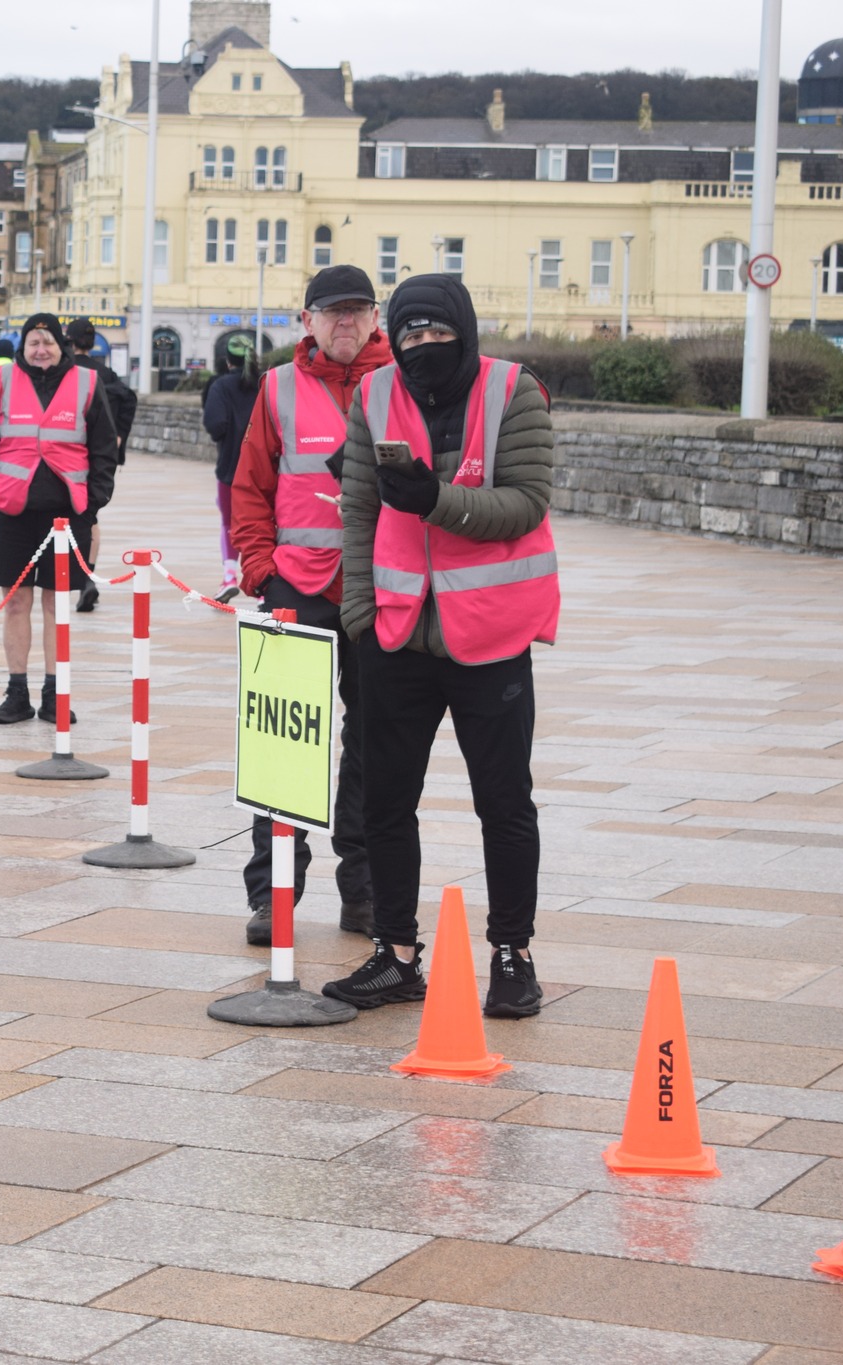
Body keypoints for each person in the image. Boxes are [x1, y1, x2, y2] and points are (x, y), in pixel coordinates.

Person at [322, 273, 558, 1020]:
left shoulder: (514, 391)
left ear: (465, 328)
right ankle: (396, 954)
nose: (425, 346)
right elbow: (357, 507)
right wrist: (359, 612)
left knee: (504, 802)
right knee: (385, 803)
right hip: (396, 632)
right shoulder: (375, 394)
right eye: (411, 332)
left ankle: (513, 954)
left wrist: (436, 500)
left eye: (438, 332)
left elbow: (527, 502)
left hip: (489, 635)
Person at [228, 266, 394, 949]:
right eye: (332, 313)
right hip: (295, 584)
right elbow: (250, 487)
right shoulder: (278, 388)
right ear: (308, 321)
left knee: (376, 745)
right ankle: (276, 895)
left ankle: (365, 892)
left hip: (382, 587)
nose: (345, 323)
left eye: (356, 312)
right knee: (282, 742)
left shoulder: (403, 384)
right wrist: (261, 568)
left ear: (376, 317)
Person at [0, 312, 118, 725]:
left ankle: (55, 693)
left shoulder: (87, 383)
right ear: (23, 346)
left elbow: (105, 448)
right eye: (33, 342)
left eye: (47, 341)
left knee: (57, 604)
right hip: (10, 512)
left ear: (61, 345)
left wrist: (93, 501)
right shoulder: (4, 381)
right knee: (15, 602)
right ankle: (17, 693)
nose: (40, 349)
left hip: (67, 515)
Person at [64, 318, 136, 613]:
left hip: (69, 455)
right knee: (90, 517)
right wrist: (118, 437)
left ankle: (72, 575)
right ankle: (87, 575)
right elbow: (129, 400)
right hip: (100, 456)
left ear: (68, 341)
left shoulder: (66, 372)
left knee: (60, 517)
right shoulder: (107, 374)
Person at [199, 334, 259, 601]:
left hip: (231, 468)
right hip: (266, 469)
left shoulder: (221, 386)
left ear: (227, 360)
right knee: (267, 525)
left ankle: (229, 577)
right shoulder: (266, 383)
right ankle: (263, 587)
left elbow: (215, 425)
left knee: (230, 524)